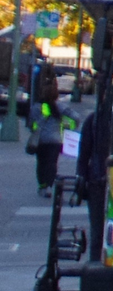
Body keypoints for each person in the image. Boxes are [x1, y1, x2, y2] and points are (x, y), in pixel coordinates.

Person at [29, 60, 63, 197]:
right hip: (56, 140)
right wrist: (66, 125)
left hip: (42, 140)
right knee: (52, 163)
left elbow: (32, 123)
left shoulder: (37, 108)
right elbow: (76, 117)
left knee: (41, 163)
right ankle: (49, 185)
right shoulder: (59, 107)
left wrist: (37, 127)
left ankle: (43, 185)